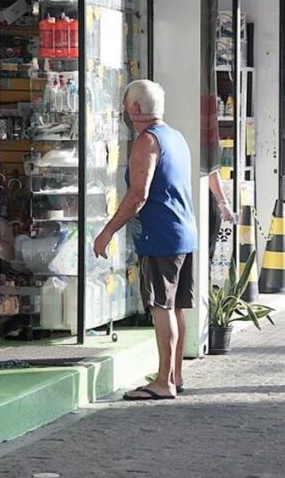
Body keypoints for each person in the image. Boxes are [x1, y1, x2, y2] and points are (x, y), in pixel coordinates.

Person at [93, 80, 197, 400]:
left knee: (160, 307)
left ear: (136, 109)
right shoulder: (175, 137)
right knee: (174, 307)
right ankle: (175, 375)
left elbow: (138, 194)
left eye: (125, 107)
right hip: (182, 232)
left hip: (160, 236)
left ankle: (164, 382)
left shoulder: (147, 142)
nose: (124, 113)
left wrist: (107, 231)